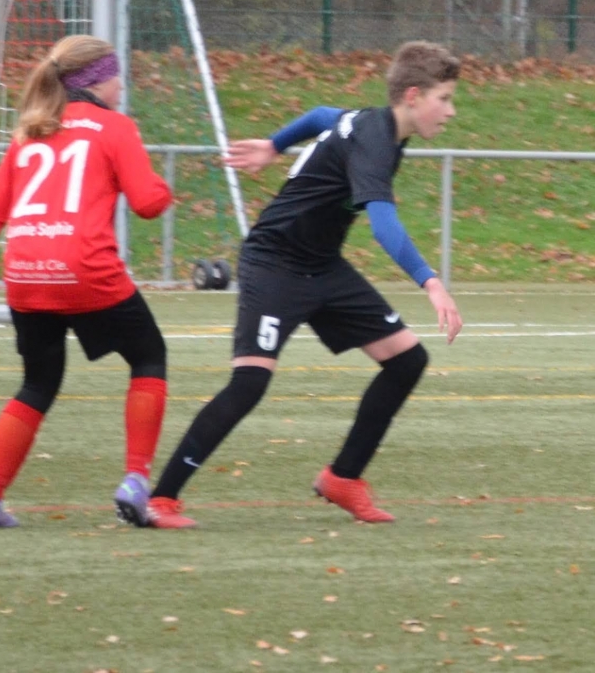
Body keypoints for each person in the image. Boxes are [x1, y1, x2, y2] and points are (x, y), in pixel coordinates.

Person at [142, 40, 465, 529]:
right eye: (445, 98)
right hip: (274, 262)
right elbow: (384, 226)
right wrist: (432, 283)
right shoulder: (376, 140)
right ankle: (161, 499)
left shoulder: (373, 123)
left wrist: (274, 146)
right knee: (250, 382)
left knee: (407, 360)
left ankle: (343, 478)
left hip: (321, 265)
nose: (451, 111)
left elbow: (320, 116)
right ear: (414, 96)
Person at [0, 35, 175, 530]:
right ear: (98, 80)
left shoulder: (30, 132)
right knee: (149, 356)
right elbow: (149, 204)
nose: (122, 85)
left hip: (25, 276)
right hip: (86, 270)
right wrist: (163, 186)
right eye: (118, 75)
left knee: (38, 382)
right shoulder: (115, 127)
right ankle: (135, 481)